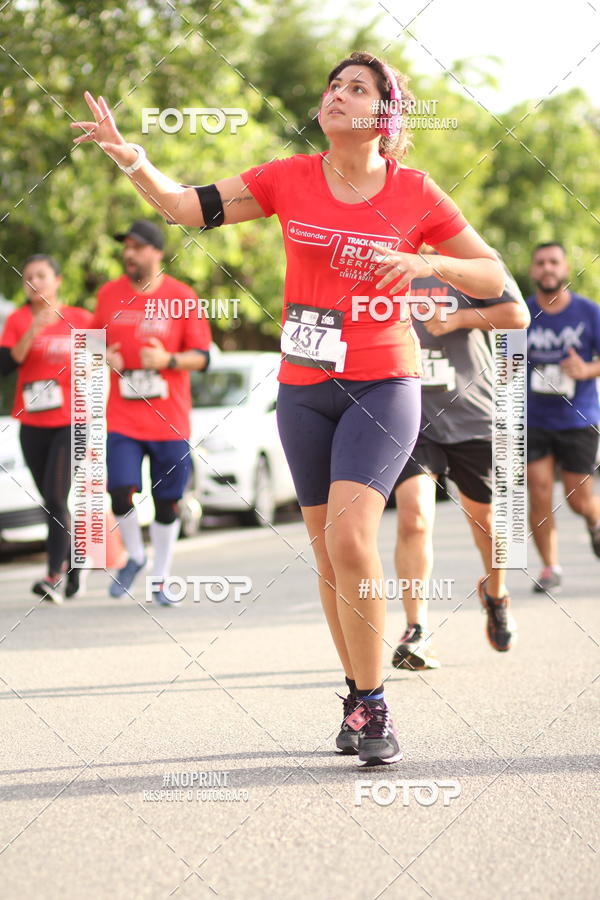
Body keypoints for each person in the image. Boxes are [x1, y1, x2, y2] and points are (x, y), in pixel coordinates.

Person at [72, 51, 505, 765]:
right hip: (303, 389)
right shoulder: (289, 177)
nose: (338, 94)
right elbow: (188, 207)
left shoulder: (417, 192)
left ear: (384, 116)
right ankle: (356, 692)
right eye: (334, 84)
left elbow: (491, 273)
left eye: (357, 88)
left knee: (351, 538)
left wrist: (431, 263)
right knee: (328, 557)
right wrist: (134, 163)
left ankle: (373, 705)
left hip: (383, 383)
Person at [391, 253, 530, 671]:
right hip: (411, 415)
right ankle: (417, 630)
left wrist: (458, 320)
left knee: (489, 523)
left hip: (474, 416)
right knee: (414, 518)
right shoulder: (384, 256)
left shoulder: (468, 258)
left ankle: (496, 593)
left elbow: (517, 316)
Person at [90, 220, 211, 605]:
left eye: (138, 247)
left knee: (168, 502)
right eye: (126, 246)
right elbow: (92, 343)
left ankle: (161, 577)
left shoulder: (182, 296)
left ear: (157, 252)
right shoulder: (109, 295)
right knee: (120, 490)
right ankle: (135, 558)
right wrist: (101, 354)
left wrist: (166, 359)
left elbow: (203, 358)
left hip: (170, 421)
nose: (129, 253)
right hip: (124, 419)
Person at [0, 254, 93, 602]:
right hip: (32, 422)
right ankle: (75, 562)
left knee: (55, 496)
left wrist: (94, 365)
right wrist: (34, 329)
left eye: (41, 275)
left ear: (57, 280)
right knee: (51, 499)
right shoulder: (18, 320)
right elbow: (7, 364)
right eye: (27, 277)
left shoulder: (81, 319)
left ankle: (53, 574)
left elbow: (107, 358)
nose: (34, 283)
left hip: (71, 421)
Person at [526, 242, 600, 592]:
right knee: (538, 492)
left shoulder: (588, 312)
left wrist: (587, 369)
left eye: (554, 262)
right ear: (532, 271)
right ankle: (550, 568)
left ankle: (595, 521)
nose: (547, 268)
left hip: (579, 418)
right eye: (540, 263)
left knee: (577, 498)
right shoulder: (522, 313)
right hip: (534, 419)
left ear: (566, 269)